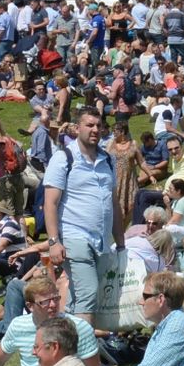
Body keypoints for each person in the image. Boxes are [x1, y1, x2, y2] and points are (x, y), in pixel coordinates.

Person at [41, 107, 116, 323]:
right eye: (89, 125)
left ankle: (62, 343)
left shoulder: (108, 160)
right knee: (88, 292)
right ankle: (85, 352)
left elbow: (114, 204)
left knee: (78, 295)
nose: (95, 130)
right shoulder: (63, 158)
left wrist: (120, 243)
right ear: (76, 128)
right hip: (74, 236)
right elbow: (50, 203)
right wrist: (54, 242)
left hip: (101, 240)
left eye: (98, 126)